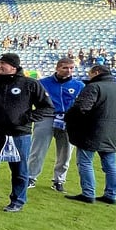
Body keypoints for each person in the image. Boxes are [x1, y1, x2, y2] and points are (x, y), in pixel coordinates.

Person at [0, 53, 54, 214]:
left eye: (3, 63)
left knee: (19, 170)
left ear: (14, 66)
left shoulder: (30, 84)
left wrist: (26, 118)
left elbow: (46, 107)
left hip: (19, 135)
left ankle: (18, 200)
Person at [64, 65, 116, 204]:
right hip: (112, 131)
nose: (88, 76)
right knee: (110, 164)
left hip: (91, 130)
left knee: (85, 162)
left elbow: (81, 108)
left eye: (90, 73)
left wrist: (69, 118)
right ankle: (111, 195)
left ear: (96, 73)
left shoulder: (94, 87)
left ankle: (88, 193)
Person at [28, 58, 83, 192]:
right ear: (57, 68)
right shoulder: (42, 83)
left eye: (71, 68)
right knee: (38, 150)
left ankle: (59, 180)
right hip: (46, 118)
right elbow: (32, 100)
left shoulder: (79, 85)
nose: (68, 71)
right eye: (65, 68)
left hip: (68, 120)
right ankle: (30, 177)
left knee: (65, 153)